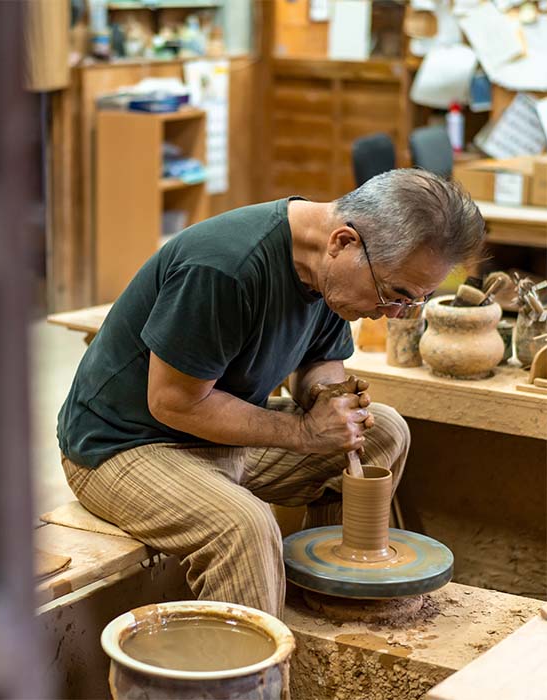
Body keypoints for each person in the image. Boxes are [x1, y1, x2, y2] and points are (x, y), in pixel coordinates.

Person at [57, 169, 485, 619]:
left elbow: (321, 362)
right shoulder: (224, 267)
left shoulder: (329, 270)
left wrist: (330, 399)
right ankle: (249, 682)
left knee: (383, 434)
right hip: (124, 444)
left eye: (413, 301)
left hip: (216, 436)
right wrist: (303, 432)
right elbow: (174, 403)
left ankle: (332, 592)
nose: (394, 314)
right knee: (243, 526)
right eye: (394, 295)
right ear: (343, 242)